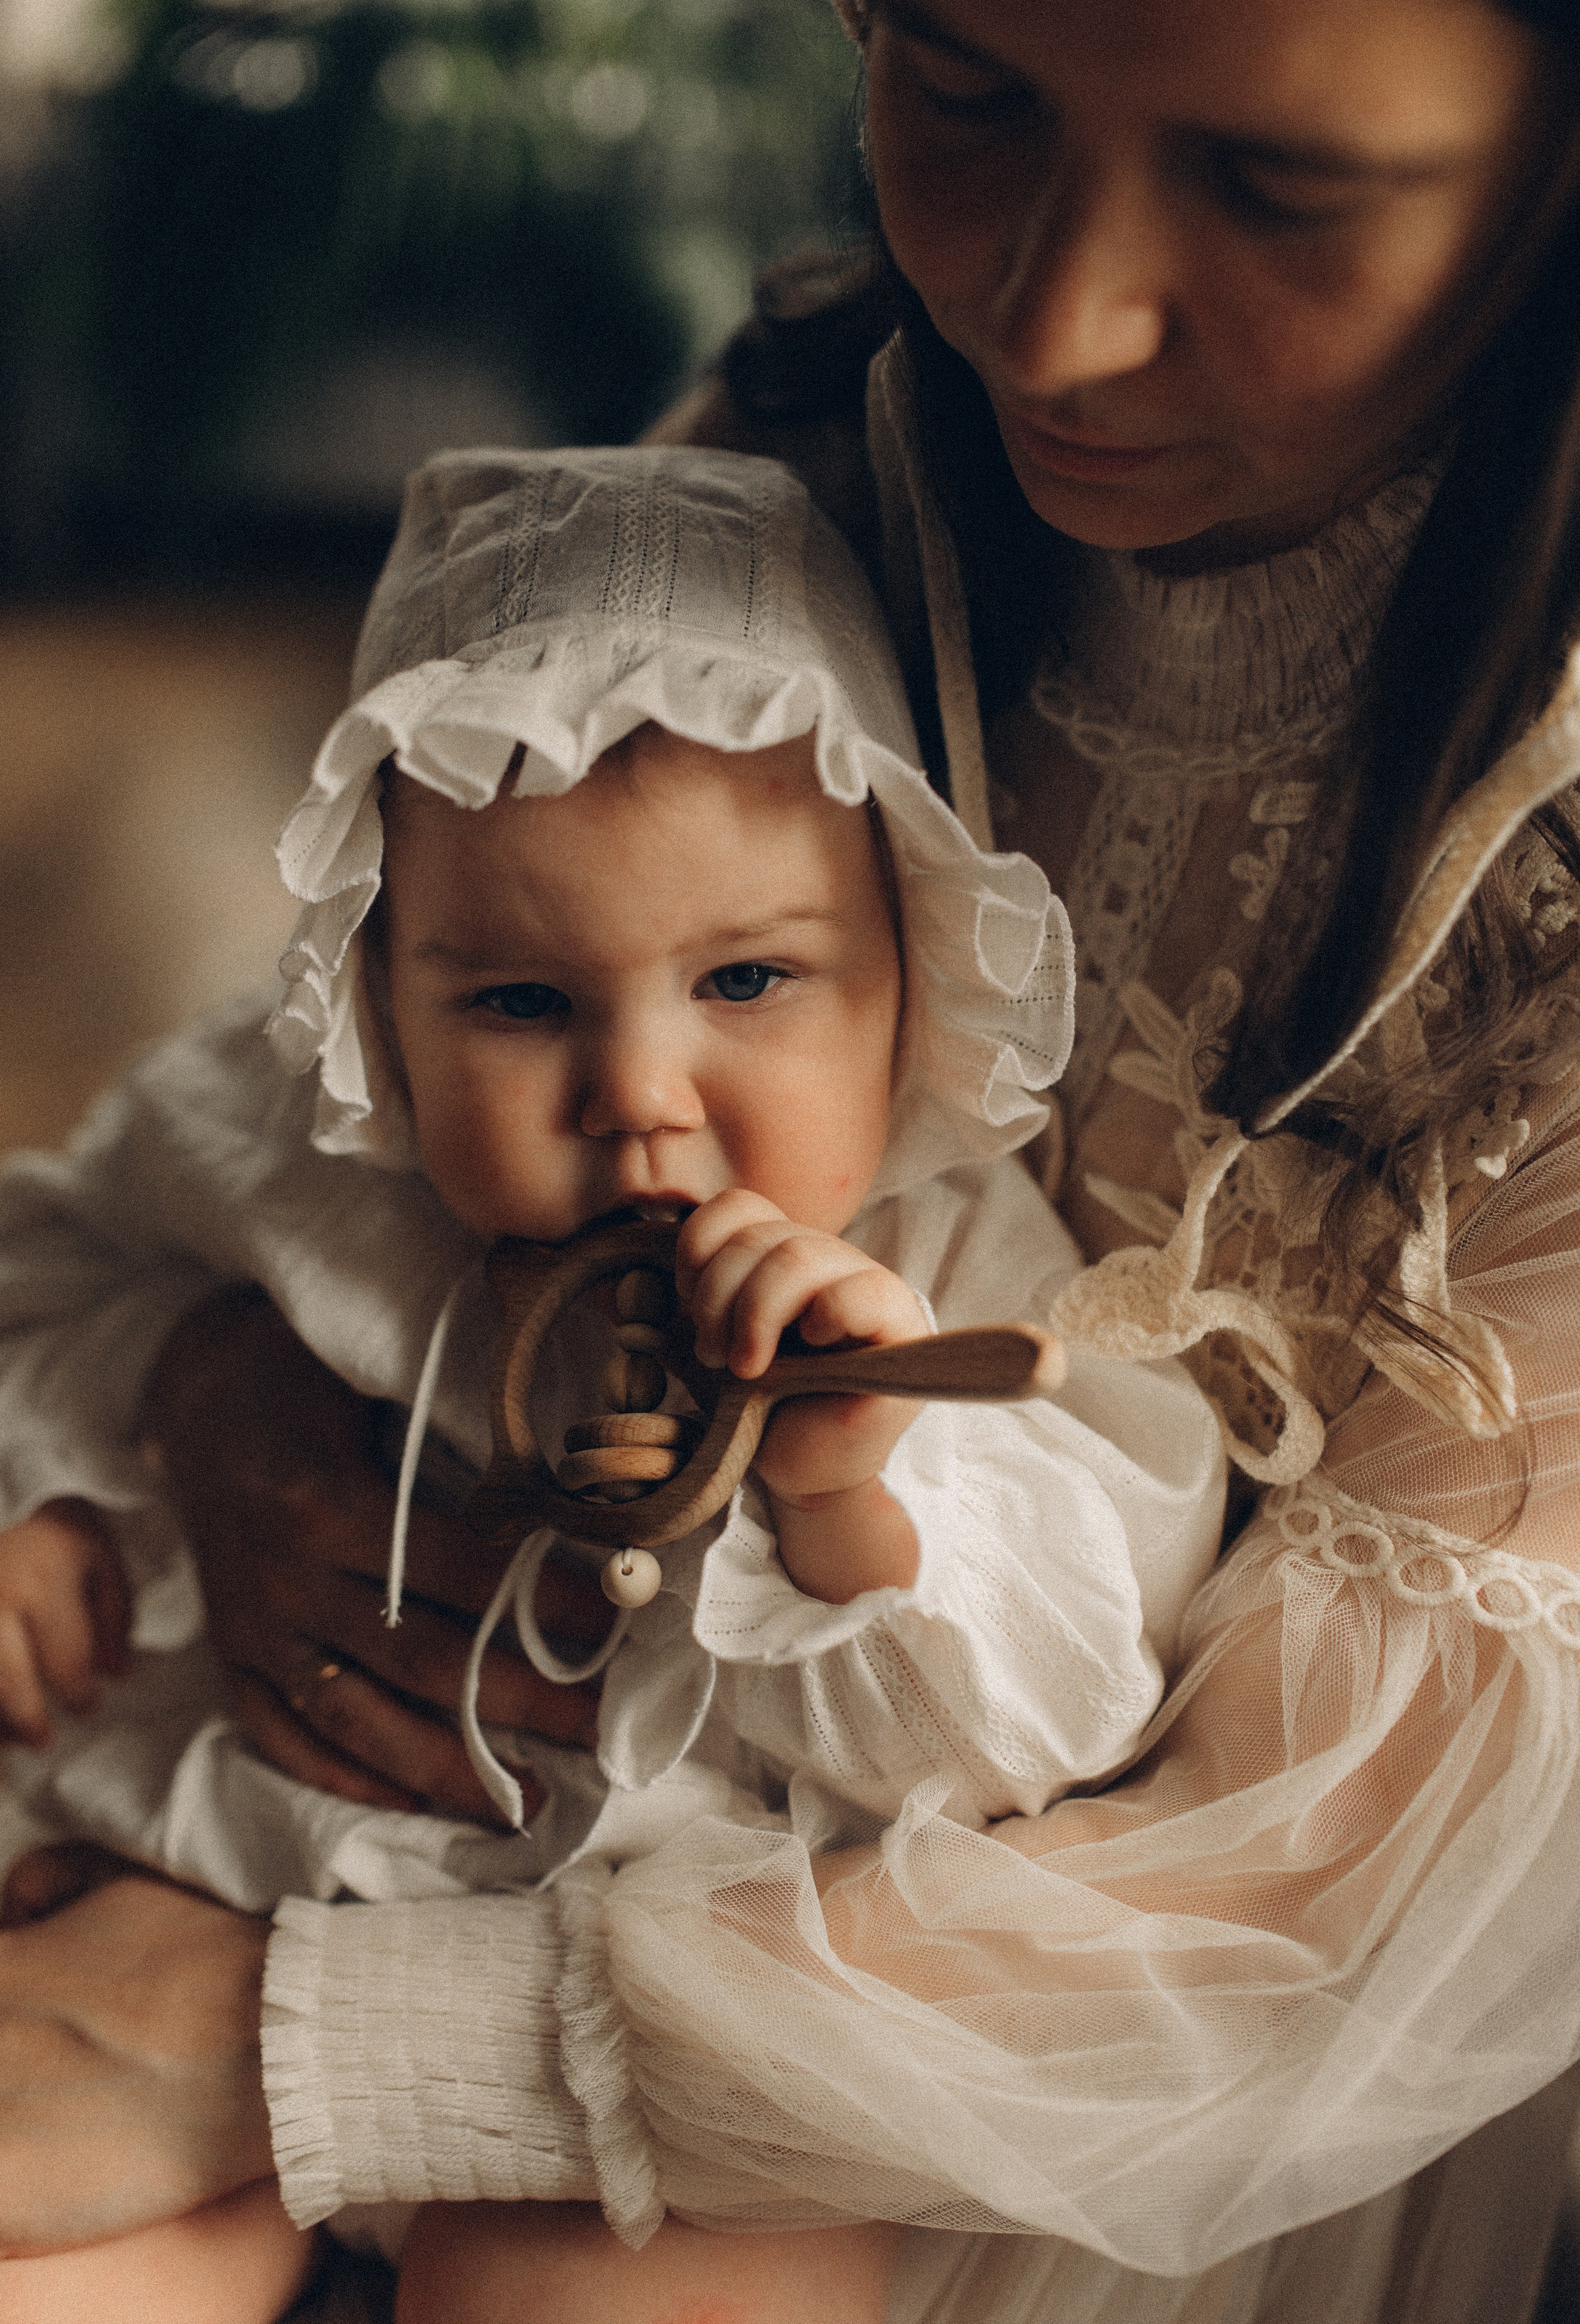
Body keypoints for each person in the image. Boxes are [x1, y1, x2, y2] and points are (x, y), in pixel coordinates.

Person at [2, 0, 1580, 2319]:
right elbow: (123, 1211)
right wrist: (178, 1404)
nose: (1046, 330)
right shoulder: (805, 466)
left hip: (964, 2031)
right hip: (272, 1816)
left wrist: (849, 1491)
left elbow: (1282, 1884)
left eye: (1275, 186)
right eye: (951, 85)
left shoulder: (969, 1265)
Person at [0, 444, 1223, 2320]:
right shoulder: (288, 1146)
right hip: (240, 1879)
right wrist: (58, 1493)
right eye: (518, 1003)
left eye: (747, 982)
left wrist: (845, 1498)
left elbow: (1048, 1728)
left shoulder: (958, 1267)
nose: (638, 1091)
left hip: (670, 2013)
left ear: (905, 967)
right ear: (377, 994)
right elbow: (51, 1272)